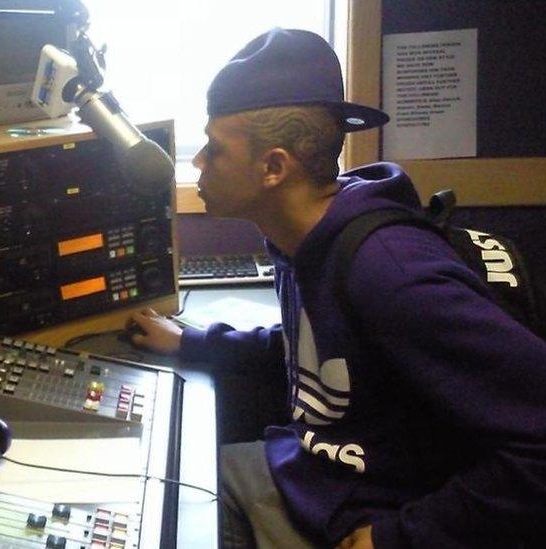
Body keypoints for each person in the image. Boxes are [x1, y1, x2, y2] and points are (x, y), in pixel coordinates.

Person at [128, 28, 546, 548]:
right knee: (167, 484)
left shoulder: (390, 272)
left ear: (273, 167)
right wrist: (198, 342)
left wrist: (400, 537)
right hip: (317, 476)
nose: (198, 164)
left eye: (213, 149)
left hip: (373, 512)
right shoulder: (305, 235)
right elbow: (321, 350)